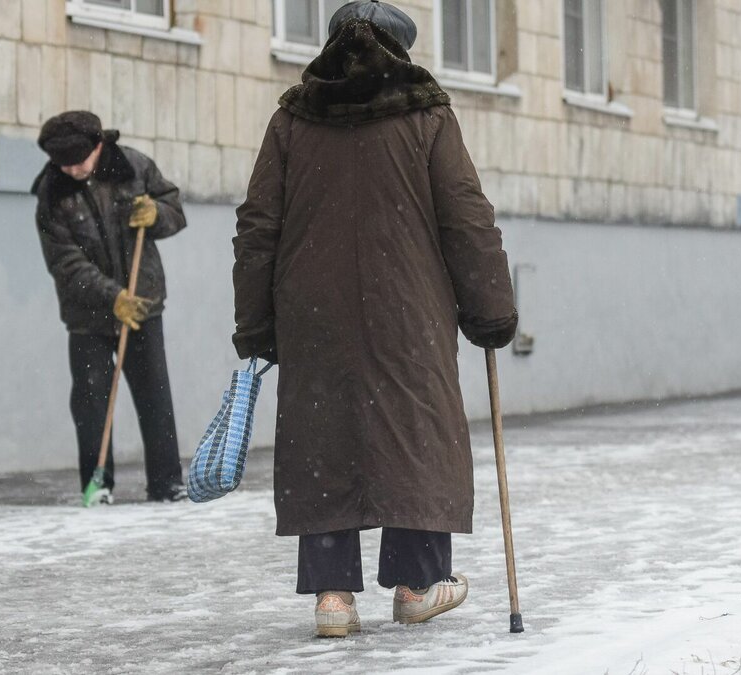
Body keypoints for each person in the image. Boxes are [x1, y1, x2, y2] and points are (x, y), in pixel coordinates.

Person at [231, 1, 517, 637]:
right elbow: (466, 218)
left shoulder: (292, 119)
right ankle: (416, 584)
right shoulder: (426, 116)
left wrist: (255, 322)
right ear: (402, 51)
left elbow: (258, 226)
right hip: (409, 311)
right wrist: (491, 310)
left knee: (322, 439)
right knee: (414, 431)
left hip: (313, 311)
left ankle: (333, 597)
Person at [32, 111, 188, 505]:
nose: (72, 169)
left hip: (141, 302)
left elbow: (174, 209)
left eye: (78, 160)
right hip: (88, 315)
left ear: (98, 145)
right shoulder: (51, 191)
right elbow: (65, 263)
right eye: (63, 163)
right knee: (91, 402)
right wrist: (111, 297)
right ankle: (98, 483)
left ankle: (167, 483)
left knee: (155, 397)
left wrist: (157, 215)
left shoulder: (133, 166)